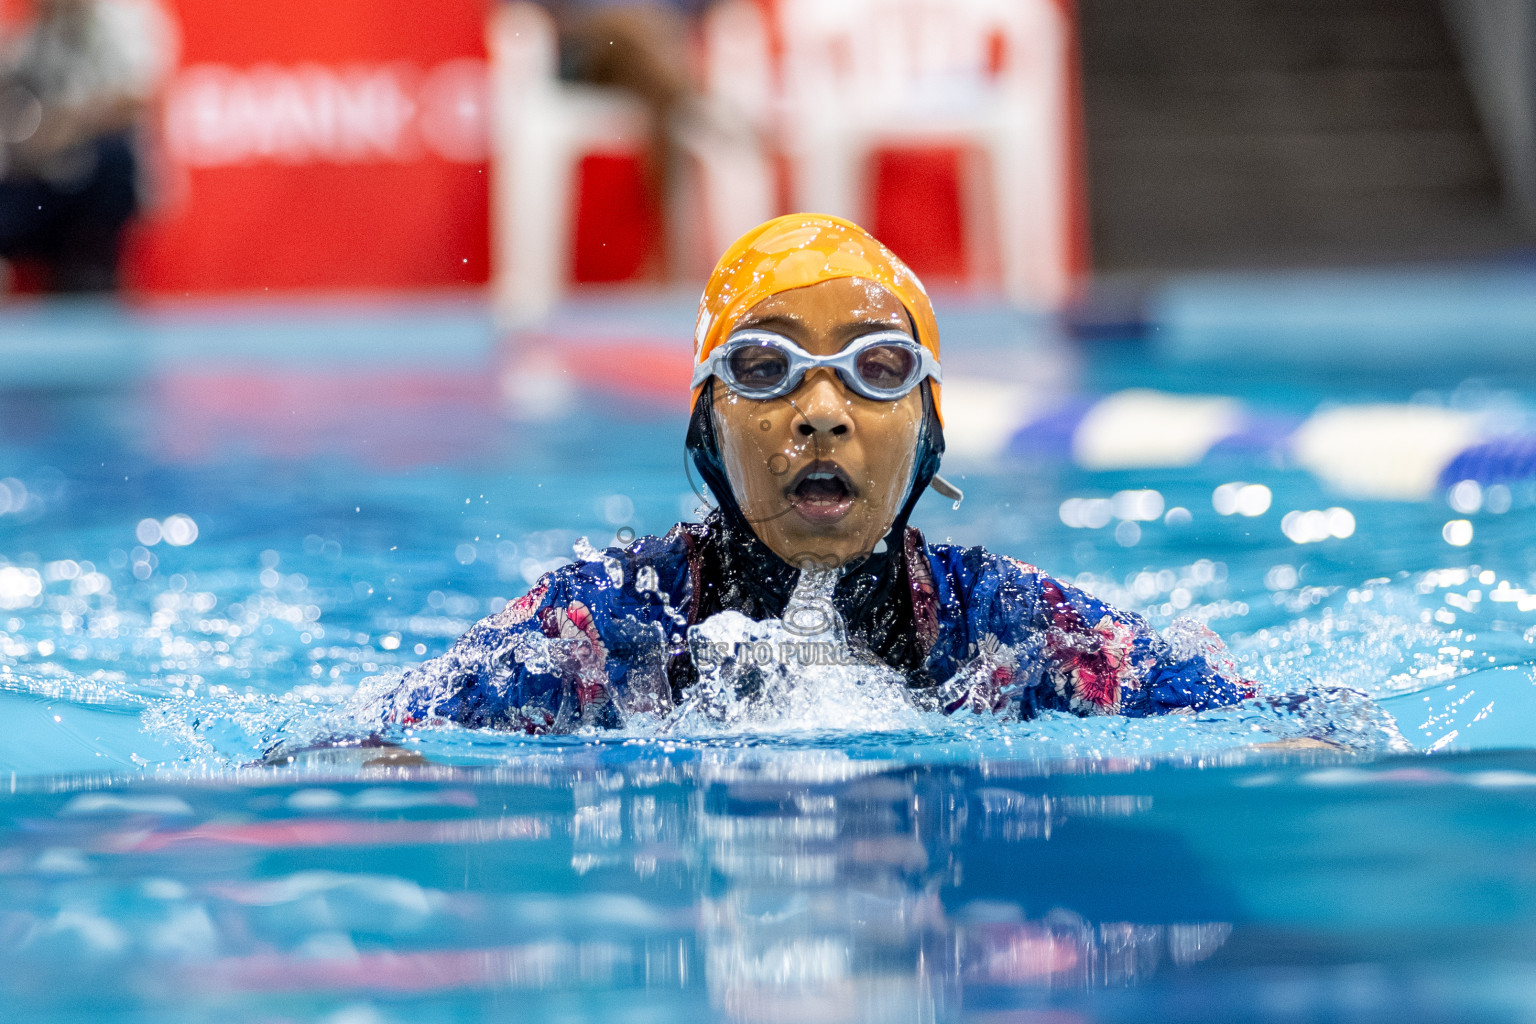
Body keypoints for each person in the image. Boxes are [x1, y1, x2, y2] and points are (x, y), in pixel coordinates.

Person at [368, 213, 1256, 733]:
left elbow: (1276, 728)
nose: (823, 410)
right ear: (707, 427)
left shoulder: (1008, 628)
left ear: (929, 432)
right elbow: (368, 747)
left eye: (879, 370)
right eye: (763, 368)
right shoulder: (602, 627)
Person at [0, 0, 173, 292]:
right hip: (37, 178)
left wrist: (70, 125)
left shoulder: (128, 19)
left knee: (113, 155)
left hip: (96, 180)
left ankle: (91, 269)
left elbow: (137, 99)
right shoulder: (32, 28)